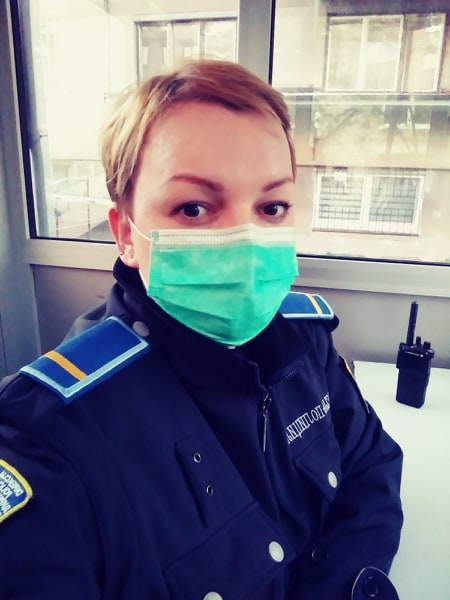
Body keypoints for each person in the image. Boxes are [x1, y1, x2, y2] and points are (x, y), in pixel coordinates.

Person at [0, 60, 402, 599]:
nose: (245, 242)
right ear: (125, 234)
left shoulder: (304, 340)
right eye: (193, 208)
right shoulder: (47, 441)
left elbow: (372, 467)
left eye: (272, 207)